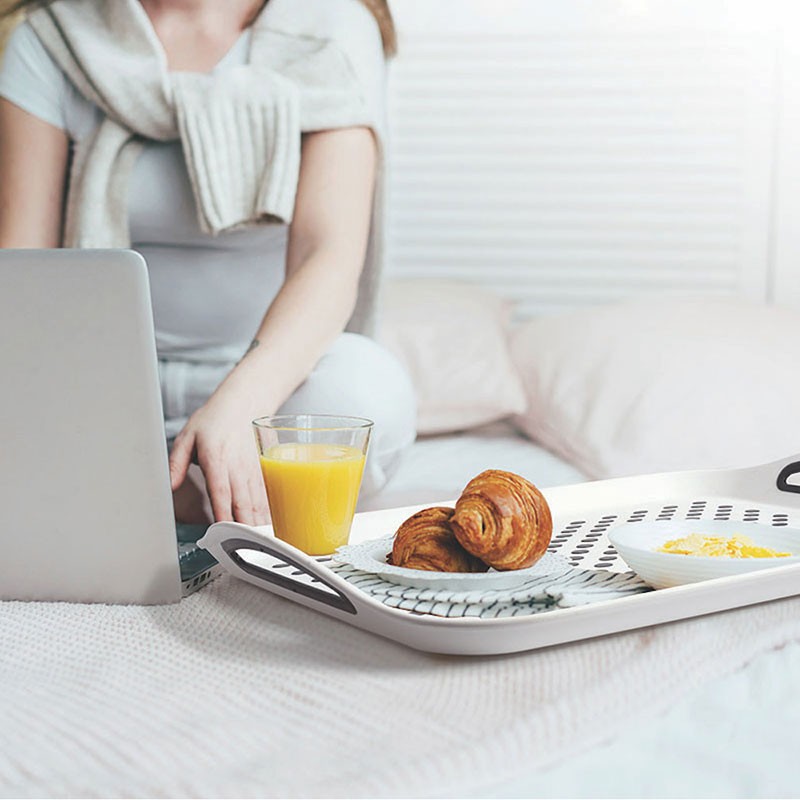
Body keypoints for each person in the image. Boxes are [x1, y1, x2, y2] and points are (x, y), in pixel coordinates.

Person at [0, 0, 417, 527]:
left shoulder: (330, 28)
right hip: (104, 386)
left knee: (367, 391)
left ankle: (179, 480)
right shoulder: (52, 37)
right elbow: (21, 273)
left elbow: (327, 254)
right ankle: (167, 484)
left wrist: (240, 406)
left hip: (266, 385)